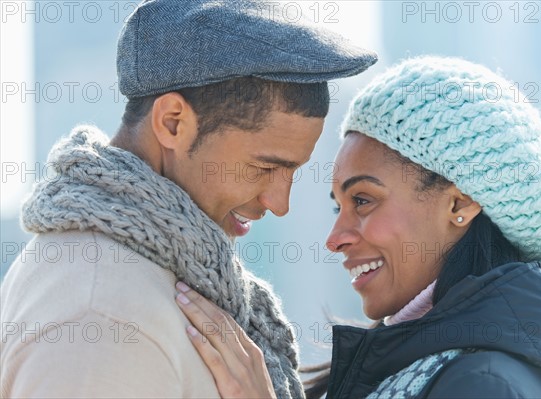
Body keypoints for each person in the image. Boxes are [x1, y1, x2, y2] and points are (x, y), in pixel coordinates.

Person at [0, 0, 377, 397]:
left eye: (292, 172)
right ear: (172, 122)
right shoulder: (101, 315)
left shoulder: (159, 270)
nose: (279, 203)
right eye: (264, 168)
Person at [175, 56, 541, 398]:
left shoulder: (485, 384)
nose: (335, 237)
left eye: (363, 200)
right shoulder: (429, 364)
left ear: (460, 203)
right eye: (337, 205)